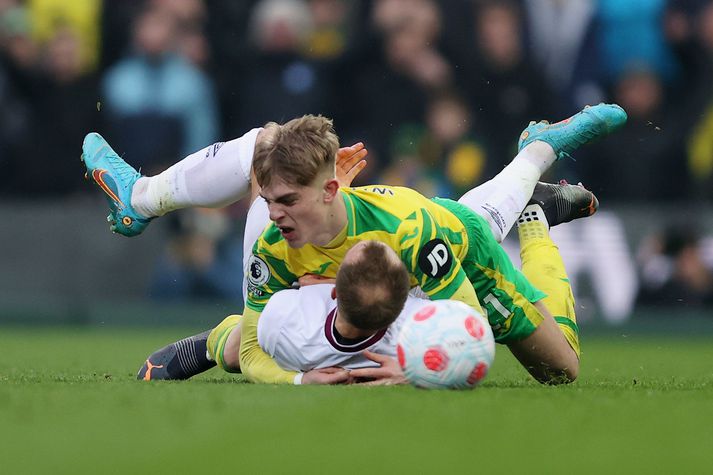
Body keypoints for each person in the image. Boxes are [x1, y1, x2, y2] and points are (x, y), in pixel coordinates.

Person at [82, 103, 626, 384]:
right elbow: (257, 347)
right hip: (380, 276)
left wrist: (419, 367)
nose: (272, 214)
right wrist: (298, 381)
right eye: (269, 200)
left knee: (561, 370)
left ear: (331, 191)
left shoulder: (410, 226)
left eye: (288, 201)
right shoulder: (275, 233)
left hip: (460, 260)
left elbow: (467, 326)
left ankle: (533, 205)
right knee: (263, 147)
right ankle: (145, 201)